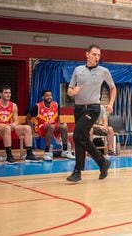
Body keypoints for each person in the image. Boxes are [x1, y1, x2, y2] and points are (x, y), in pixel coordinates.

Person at [66, 44, 116, 182]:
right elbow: (69, 90)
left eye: (99, 55)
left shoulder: (103, 71)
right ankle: (102, 163)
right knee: (83, 138)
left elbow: (113, 88)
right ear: (87, 54)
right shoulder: (78, 70)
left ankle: (78, 171)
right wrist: (73, 92)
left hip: (93, 108)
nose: (97, 57)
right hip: (79, 108)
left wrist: (111, 103)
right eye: (94, 54)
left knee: (77, 135)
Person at [26, 89, 75, 161]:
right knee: (51, 126)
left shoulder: (56, 105)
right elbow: (28, 118)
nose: (49, 97)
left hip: (53, 127)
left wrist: (59, 128)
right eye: (47, 95)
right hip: (41, 128)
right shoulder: (37, 106)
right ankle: (47, 152)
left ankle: (65, 151)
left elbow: (58, 118)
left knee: (64, 127)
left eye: (50, 95)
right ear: (43, 97)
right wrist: (33, 131)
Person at [0, 85, 39, 164]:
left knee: (27, 128)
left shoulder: (14, 106)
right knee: (6, 128)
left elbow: (16, 121)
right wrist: (4, 125)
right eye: (5, 93)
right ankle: (9, 156)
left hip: (9, 127)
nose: (8, 95)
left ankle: (29, 154)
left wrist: (14, 124)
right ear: (0, 94)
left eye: (9, 93)